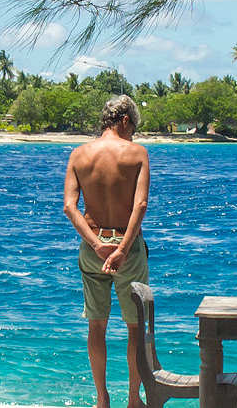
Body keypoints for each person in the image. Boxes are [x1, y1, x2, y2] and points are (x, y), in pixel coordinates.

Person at [63, 95, 151, 408]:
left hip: (92, 249)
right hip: (127, 247)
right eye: (133, 127)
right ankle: (132, 399)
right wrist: (122, 249)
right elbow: (140, 205)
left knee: (96, 325)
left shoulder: (79, 154)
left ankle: (102, 399)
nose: (133, 134)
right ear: (125, 119)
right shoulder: (137, 153)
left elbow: (69, 207)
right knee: (135, 326)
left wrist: (96, 244)